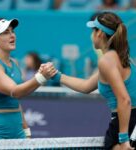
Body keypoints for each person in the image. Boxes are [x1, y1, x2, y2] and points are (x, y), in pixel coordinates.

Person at [40, 11, 136, 149]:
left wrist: (123, 138)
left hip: (126, 123)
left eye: (93, 30)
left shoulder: (107, 61)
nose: (91, 35)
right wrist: (56, 75)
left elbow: (125, 100)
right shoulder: (121, 58)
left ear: (100, 33)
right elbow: (86, 86)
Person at [0, 12, 56, 139]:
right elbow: (16, 92)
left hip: (17, 130)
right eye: (6, 32)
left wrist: (26, 131)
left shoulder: (15, 63)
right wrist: (41, 77)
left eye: (12, 31)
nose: (12, 35)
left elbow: (15, 101)